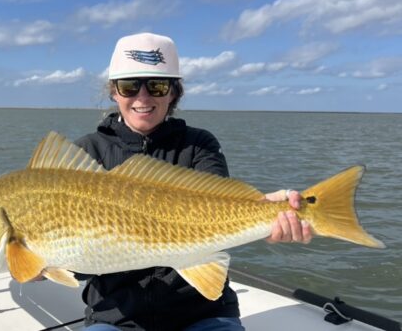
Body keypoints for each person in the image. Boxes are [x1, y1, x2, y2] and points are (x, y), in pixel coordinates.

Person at [74, 33, 312, 331]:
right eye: (130, 86)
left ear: (174, 93)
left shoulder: (198, 144)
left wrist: (268, 213)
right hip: (116, 318)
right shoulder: (86, 152)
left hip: (203, 312)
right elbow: (76, 260)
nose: (143, 97)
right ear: (114, 92)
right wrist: (38, 265)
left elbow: (218, 211)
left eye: (157, 86)